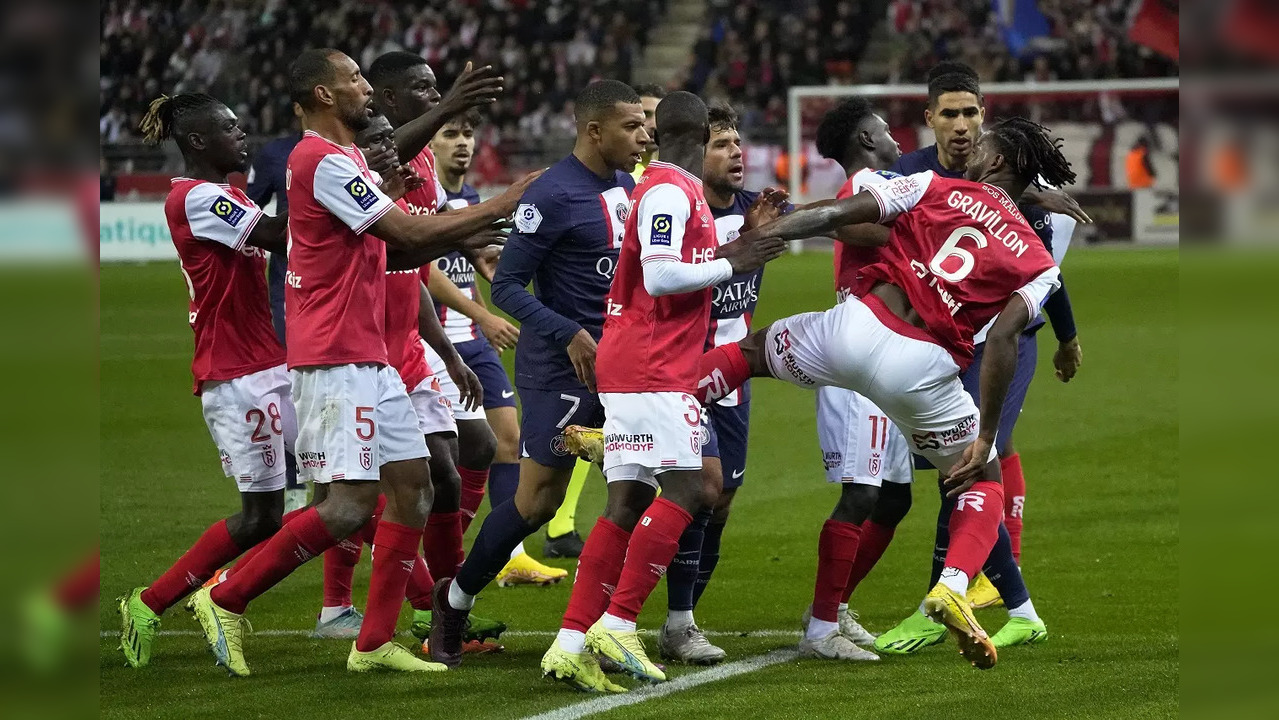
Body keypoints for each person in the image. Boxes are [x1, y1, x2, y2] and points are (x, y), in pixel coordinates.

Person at [184, 48, 536, 677]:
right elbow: (406, 236)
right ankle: (226, 597)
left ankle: (372, 642)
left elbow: (395, 260)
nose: (365, 87)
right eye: (353, 79)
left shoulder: (345, 160)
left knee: (417, 488)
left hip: (370, 354)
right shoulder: (317, 160)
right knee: (347, 506)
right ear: (323, 94)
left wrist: (461, 231)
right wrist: (500, 203)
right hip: (333, 356)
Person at [697, 116, 1079, 671]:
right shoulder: (1041, 264)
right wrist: (987, 433)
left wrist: (764, 236)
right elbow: (1002, 339)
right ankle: (952, 586)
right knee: (983, 479)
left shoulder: (935, 185)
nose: (972, 148)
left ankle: (648, 419)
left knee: (749, 354)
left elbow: (841, 213)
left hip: (858, 327)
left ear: (996, 163)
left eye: (985, 145)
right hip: (923, 373)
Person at [539, 91, 788, 691]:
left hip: (635, 360)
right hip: (653, 362)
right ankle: (620, 623)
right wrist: (735, 259)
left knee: (625, 501)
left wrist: (734, 249)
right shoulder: (672, 191)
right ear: (702, 133)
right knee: (693, 485)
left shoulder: (668, 188)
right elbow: (661, 273)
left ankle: (571, 640)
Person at [427, 80, 651, 669]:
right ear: (594, 130)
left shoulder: (628, 188)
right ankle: (453, 600)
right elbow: (505, 286)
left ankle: (605, 628)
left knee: (641, 489)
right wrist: (570, 333)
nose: (643, 135)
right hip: (560, 369)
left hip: (621, 366)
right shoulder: (551, 195)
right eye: (632, 126)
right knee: (536, 503)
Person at [871, 62, 1079, 654]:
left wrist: (1068, 337)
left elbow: (1046, 275)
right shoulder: (910, 174)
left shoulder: (1014, 178)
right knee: (965, 469)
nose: (962, 125)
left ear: (983, 116)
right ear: (929, 118)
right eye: (950, 114)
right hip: (939, 346)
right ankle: (1018, 608)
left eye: (971, 113)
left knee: (963, 469)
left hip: (1006, 346)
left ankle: (938, 602)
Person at [118, 93, 293, 669]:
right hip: (236, 375)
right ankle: (152, 602)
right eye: (229, 128)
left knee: (353, 486)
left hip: (272, 365)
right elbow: (277, 237)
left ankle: (408, 607)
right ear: (197, 141)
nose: (243, 135)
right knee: (262, 515)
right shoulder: (193, 199)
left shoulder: (230, 194)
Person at [658, 103, 788, 665]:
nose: (736, 152)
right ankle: (675, 620)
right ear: (695, 153)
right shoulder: (679, 210)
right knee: (701, 488)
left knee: (723, 499)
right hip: (681, 371)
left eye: (738, 142)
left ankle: (680, 617)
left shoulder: (759, 208)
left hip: (734, 376)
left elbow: (826, 221)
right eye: (721, 144)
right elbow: (664, 278)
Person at [424, 111, 566, 586]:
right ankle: (443, 553)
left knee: (508, 441)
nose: (462, 143)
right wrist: (481, 315)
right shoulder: (426, 198)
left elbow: (466, 270)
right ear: (432, 144)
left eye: (467, 134)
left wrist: (485, 304)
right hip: (436, 341)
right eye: (451, 134)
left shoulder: (467, 198)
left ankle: (511, 554)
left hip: (472, 337)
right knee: (444, 460)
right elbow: (427, 274)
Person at [793, 97, 913, 663]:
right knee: (863, 494)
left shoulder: (885, 188)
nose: (894, 137)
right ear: (865, 139)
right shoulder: (860, 191)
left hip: (889, 361)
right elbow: (860, 227)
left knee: (894, 501)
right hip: (858, 362)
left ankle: (834, 607)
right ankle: (821, 629)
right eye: (885, 130)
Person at [244, 112, 308, 513]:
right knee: (293, 387)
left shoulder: (351, 147)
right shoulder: (276, 153)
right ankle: (295, 484)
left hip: (340, 287)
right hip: (288, 286)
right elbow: (251, 211)